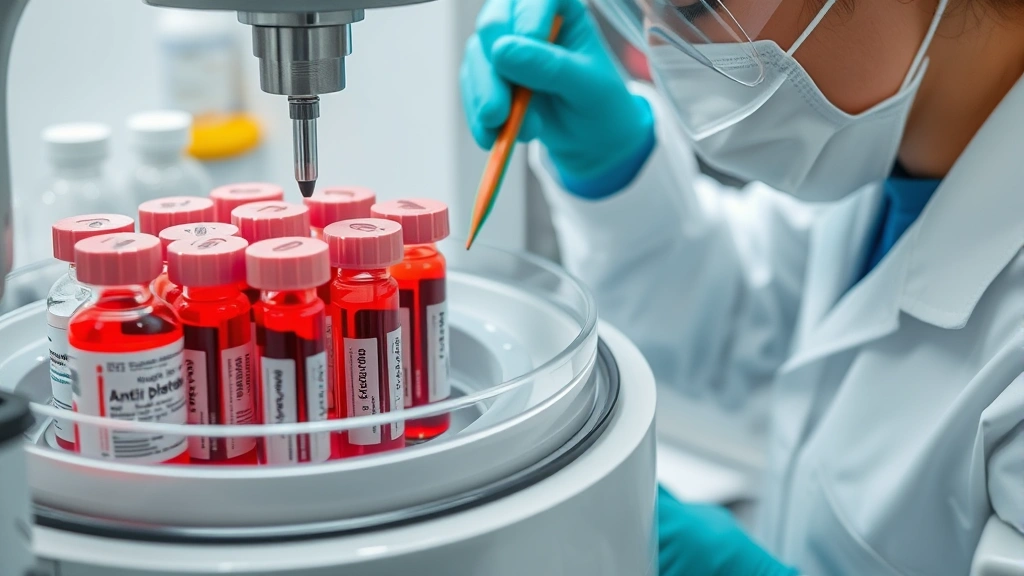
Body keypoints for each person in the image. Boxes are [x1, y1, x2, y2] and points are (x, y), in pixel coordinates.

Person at [461, 0, 1024, 574]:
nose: (660, 53)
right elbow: (742, 314)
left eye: (695, 5)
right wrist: (611, 165)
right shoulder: (890, 142)